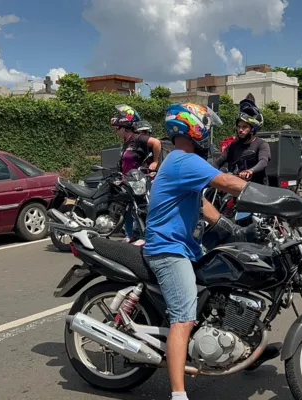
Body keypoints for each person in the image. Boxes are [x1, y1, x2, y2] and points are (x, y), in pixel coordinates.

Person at [143, 102, 259, 400]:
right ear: (193, 127)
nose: (208, 133)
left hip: (186, 246)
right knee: (183, 317)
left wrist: (230, 227)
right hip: (169, 250)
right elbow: (229, 183)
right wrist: (276, 199)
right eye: (206, 126)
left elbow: (201, 203)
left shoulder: (179, 160)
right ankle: (178, 394)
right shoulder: (183, 159)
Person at [111, 105, 162, 244]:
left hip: (138, 182)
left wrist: (155, 162)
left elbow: (156, 143)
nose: (116, 131)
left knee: (140, 208)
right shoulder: (125, 142)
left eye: (117, 128)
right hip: (127, 181)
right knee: (127, 208)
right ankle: (130, 235)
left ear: (124, 128)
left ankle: (146, 236)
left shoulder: (138, 138)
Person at [212, 99, 271, 185]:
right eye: (239, 126)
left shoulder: (262, 144)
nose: (240, 130)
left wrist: (250, 171)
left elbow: (263, 162)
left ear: (253, 129)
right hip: (237, 186)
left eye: (244, 127)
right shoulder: (234, 145)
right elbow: (219, 161)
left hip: (257, 188)